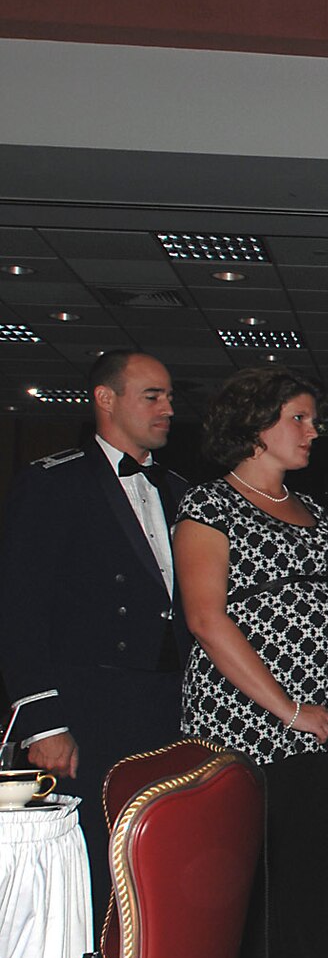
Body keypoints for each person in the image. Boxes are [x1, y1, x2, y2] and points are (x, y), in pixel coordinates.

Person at [176, 365, 328, 958]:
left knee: (306, 902)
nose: (313, 431)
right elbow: (207, 619)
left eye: (314, 419)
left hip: (325, 731)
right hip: (245, 730)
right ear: (255, 423)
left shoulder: (316, 512)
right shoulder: (209, 505)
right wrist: (290, 710)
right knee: (242, 906)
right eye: (299, 417)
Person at [0, 349, 187, 927]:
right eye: (152, 396)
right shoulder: (54, 481)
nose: (168, 408)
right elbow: (19, 606)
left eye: (170, 397)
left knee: (156, 855)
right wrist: (43, 720)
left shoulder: (179, 488)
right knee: (91, 858)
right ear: (106, 399)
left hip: (165, 703)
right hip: (88, 706)